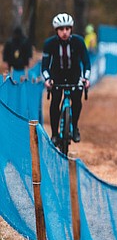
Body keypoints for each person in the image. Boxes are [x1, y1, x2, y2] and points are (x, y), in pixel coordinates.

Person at [41, 13, 91, 143]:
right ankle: (54, 133)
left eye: (67, 29)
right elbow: (45, 66)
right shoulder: (49, 44)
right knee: (55, 101)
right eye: (61, 29)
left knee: (77, 101)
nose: (64, 32)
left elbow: (86, 62)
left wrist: (86, 78)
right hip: (56, 76)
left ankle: (74, 128)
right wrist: (47, 79)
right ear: (56, 30)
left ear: (71, 29)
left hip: (74, 75)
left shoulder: (79, 42)